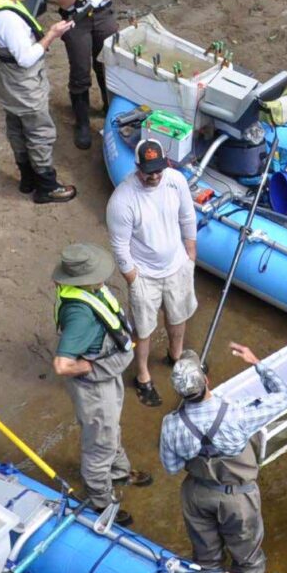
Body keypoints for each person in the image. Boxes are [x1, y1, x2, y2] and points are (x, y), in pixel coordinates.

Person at [158, 341, 285, 573]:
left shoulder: (170, 424)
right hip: (238, 499)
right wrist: (257, 362)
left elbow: (171, 467)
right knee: (247, 560)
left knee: (205, 560)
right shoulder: (236, 412)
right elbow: (284, 396)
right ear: (207, 380)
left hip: (196, 495)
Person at [48, 243, 155, 521]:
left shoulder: (88, 291)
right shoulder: (80, 315)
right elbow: (61, 364)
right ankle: (101, 502)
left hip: (107, 374)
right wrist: (84, 365)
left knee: (110, 428)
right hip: (93, 385)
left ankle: (119, 473)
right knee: (99, 443)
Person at [106, 138, 199, 407]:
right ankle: (143, 375)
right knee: (143, 329)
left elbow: (187, 215)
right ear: (137, 167)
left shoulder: (175, 181)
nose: (155, 175)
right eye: (149, 171)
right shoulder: (123, 200)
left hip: (177, 266)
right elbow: (120, 246)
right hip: (144, 274)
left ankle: (176, 355)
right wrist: (133, 278)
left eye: (159, 168)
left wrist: (190, 252)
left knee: (178, 316)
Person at [0, 0, 77, 203]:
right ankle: (47, 187)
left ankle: (27, 179)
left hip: (3, 79)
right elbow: (26, 58)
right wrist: (52, 34)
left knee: (16, 126)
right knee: (39, 132)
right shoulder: (9, 21)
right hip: (22, 85)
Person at [46, 0, 123, 143]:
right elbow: (63, 0)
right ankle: (82, 122)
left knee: (108, 63)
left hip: (102, 13)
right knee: (80, 71)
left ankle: (111, 111)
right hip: (76, 18)